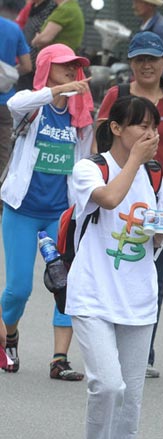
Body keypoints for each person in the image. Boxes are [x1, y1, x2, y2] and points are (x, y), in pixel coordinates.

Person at [69, 94, 163, 439]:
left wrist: (159, 228)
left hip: (138, 297)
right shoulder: (89, 168)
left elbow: (162, 229)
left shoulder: (155, 176)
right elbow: (108, 199)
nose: (149, 134)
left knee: (131, 396)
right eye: (139, 127)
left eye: (153, 127)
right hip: (92, 294)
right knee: (107, 385)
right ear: (116, 128)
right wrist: (135, 163)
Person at [96, 30, 163, 379]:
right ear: (131, 62)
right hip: (121, 192)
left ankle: (143, 353)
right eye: (139, 58)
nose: (146, 65)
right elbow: (99, 142)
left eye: (152, 59)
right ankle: (108, 346)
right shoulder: (118, 95)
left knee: (154, 276)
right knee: (117, 268)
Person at [1, 44, 92, 380]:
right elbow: (13, 101)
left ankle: (59, 360)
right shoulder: (33, 108)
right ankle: (9, 335)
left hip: (60, 215)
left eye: (76, 67)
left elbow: (82, 164)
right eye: (64, 65)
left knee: (66, 285)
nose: (72, 71)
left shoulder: (81, 116)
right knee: (18, 289)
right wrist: (53, 91)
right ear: (46, 67)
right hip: (22, 212)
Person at [0, 14, 32, 196]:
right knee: (4, 148)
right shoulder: (13, 29)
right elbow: (27, 66)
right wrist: (8, 74)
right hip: (6, 101)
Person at [14, 0, 54, 91]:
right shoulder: (31, 6)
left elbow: (43, 36)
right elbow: (19, 23)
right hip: (23, 55)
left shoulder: (51, 7)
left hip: (37, 59)